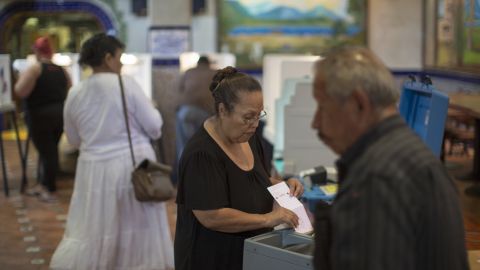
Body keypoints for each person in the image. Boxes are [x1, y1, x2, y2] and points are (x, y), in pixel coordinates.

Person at [310, 46, 469, 270]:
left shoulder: (377, 178)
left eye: (322, 107)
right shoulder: (409, 155)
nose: (315, 123)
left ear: (359, 103)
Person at [50, 33, 174, 269]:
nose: (121, 63)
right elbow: (155, 125)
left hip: (93, 169)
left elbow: (73, 138)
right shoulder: (125, 84)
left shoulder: (75, 92)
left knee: (95, 225)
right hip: (131, 166)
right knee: (136, 224)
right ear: (108, 58)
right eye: (119, 57)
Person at [174, 66, 304, 270]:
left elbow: (249, 181)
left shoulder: (248, 137)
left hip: (248, 252)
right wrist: (267, 218)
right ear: (223, 110)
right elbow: (211, 216)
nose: (254, 124)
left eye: (258, 116)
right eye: (247, 117)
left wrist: (282, 185)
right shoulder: (201, 154)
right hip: (212, 257)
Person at [15, 36, 71, 202]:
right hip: (60, 114)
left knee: (47, 152)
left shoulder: (35, 69)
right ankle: (44, 183)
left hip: (40, 115)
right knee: (51, 149)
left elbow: (20, 91)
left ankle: (50, 189)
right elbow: (69, 89)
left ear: (37, 51)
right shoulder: (62, 70)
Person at [172, 55, 217, 184]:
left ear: (198, 64)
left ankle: (184, 181)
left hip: (185, 112)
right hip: (206, 114)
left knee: (184, 147)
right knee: (205, 147)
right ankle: (203, 180)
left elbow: (179, 91)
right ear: (208, 64)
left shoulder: (188, 72)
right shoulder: (214, 73)